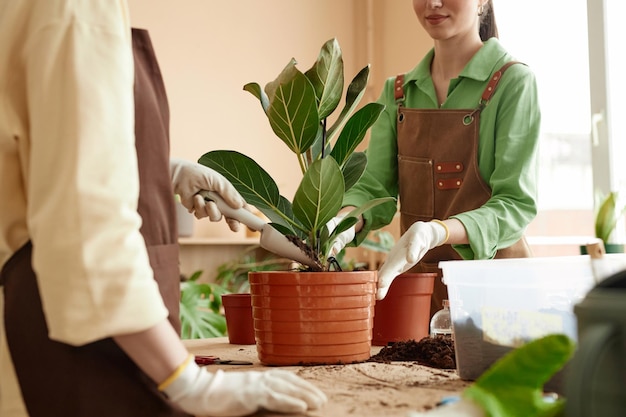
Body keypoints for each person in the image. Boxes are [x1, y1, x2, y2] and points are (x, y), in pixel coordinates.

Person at [0, 1, 327, 416]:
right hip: (87, 340)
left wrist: (162, 171)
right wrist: (188, 382)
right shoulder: (78, 8)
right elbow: (86, 229)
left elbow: (35, 153)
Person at [332, 0, 540, 316]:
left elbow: (515, 204)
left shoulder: (513, 82)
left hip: (501, 295)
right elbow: (374, 188)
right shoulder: (398, 93)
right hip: (423, 294)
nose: (433, 3)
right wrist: (344, 221)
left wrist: (436, 232)